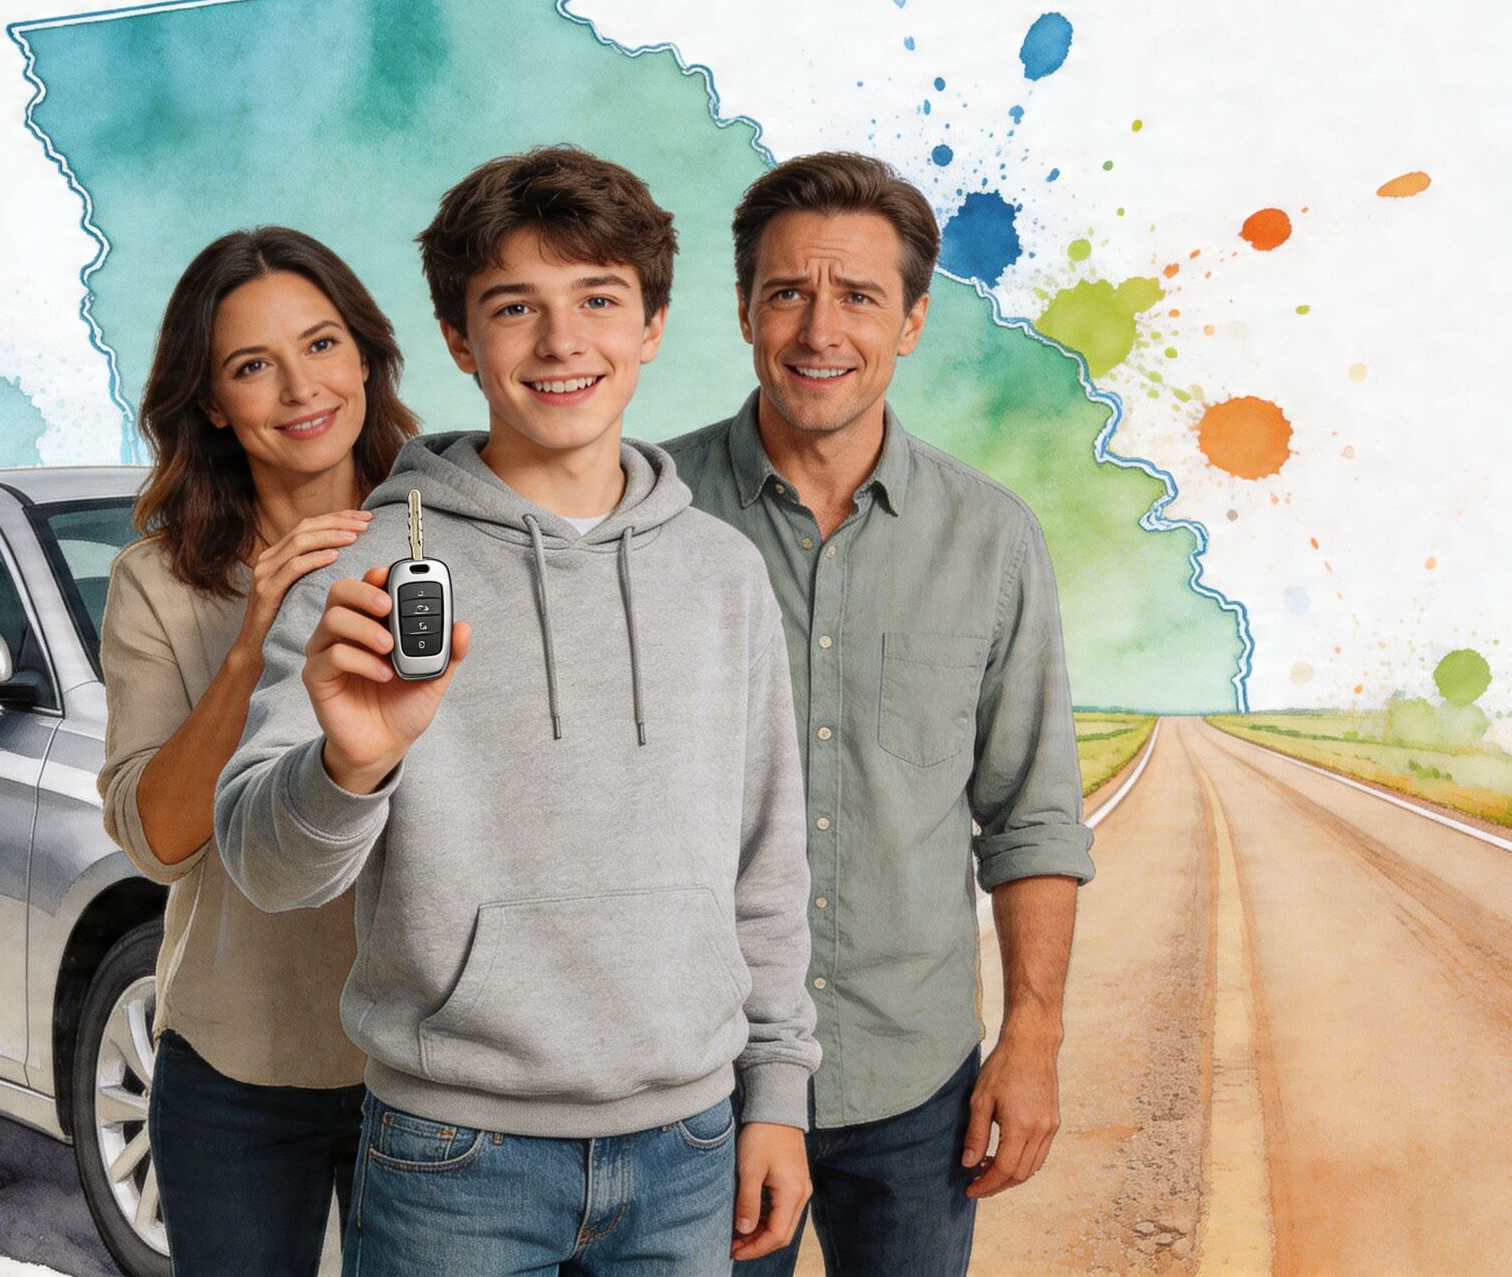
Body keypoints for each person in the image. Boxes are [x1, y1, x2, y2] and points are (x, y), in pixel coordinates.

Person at [213, 146, 820, 1276]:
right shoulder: (364, 573)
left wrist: (776, 1092)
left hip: (691, 1140)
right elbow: (264, 866)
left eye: (597, 299)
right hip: (455, 1152)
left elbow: (766, 860)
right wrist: (348, 769)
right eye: (513, 307)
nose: (560, 343)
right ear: (458, 340)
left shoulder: (722, 573)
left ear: (651, 326)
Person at [662, 151, 1097, 1277]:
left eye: (857, 296)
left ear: (909, 322)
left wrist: (1033, 1039)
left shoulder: (990, 540)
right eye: (788, 294)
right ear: (746, 311)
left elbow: (1030, 814)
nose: (820, 329)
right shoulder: (644, 518)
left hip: (910, 1084)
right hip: (688, 1083)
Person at [96, 226, 419, 1276]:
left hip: (433, 1067)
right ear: (211, 405)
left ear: (365, 355)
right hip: (237, 1064)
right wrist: (254, 640)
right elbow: (161, 842)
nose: (299, 388)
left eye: (322, 345)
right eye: (251, 366)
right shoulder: (158, 583)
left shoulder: (452, 535)